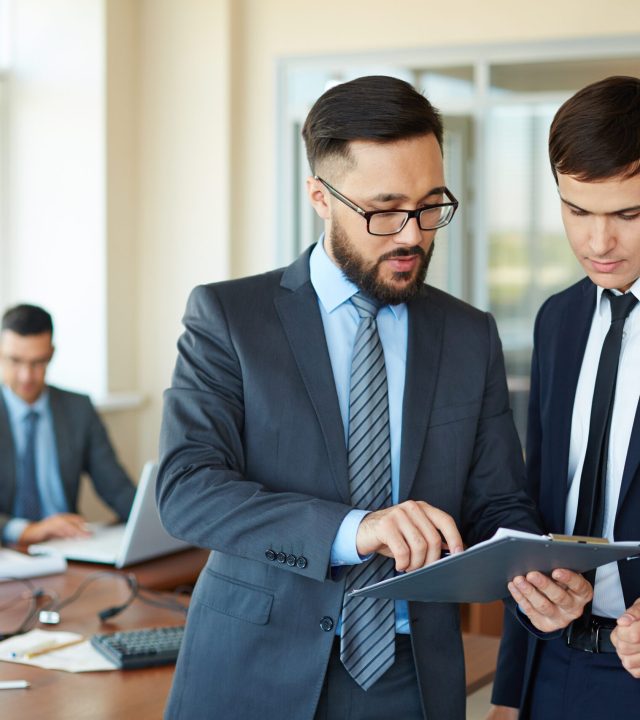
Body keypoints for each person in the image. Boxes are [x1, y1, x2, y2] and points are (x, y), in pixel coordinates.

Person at [157, 75, 591, 720]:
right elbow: (187, 488)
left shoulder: (470, 334)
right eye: (384, 210)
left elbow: (498, 501)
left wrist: (536, 574)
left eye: (430, 205)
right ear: (320, 196)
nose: (412, 235)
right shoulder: (229, 316)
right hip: (252, 669)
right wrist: (355, 529)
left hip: (411, 678)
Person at [488, 75, 640, 720]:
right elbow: (537, 502)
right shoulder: (557, 320)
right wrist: (508, 688)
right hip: (553, 666)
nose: (598, 243)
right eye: (577, 211)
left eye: (629, 214)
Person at [0, 304, 136, 545]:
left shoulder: (78, 408)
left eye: (38, 362)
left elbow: (117, 489)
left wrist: (154, 525)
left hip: (68, 547)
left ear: (51, 353)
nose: (26, 376)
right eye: (15, 361)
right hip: (9, 551)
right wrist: (26, 531)